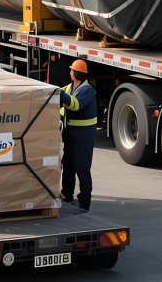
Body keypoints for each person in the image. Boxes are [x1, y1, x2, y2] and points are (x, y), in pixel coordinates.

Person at [59, 59, 97, 211]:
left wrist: (61, 95)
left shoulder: (87, 90)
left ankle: (85, 200)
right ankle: (67, 193)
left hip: (83, 137)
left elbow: (75, 105)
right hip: (70, 135)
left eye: (71, 70)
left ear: (76, 73)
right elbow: (61, 96)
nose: (69, 73)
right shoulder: (70, 87)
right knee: (68, 165)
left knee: (82, 168)